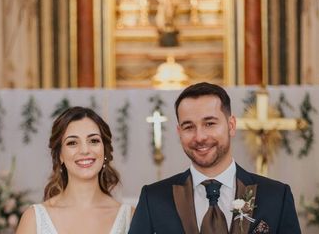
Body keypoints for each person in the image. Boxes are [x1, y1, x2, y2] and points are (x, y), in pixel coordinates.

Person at [129, 82, 301, 234]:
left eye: (209, 124)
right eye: (189, 127)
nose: (200, 137)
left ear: (231, 126)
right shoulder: (153, 199)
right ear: (179, 132)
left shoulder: (276, 197)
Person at [16, 107, 133, 234]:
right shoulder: (34, 219)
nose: (84, 150)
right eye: (72, 143)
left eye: (93, 141)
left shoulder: (130, 218)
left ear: (104, 150)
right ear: (60, 155)